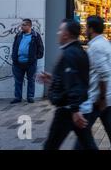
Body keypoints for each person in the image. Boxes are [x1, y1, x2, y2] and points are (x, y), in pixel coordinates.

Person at [40, 19, 97, 150]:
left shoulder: (69, 53)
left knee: (51, 145)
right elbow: (74, 78)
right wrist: (54, 78)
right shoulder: (79, 50)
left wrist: (75, 110)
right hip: (78, 106)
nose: (57, 33)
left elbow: (75, 83)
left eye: (60, 30)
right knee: (88, 145)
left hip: (68, 109)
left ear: (66, 34)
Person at [75, 16, 111, 150]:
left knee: (83, 132)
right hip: (109, 95)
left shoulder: (96, 47)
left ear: (91, 28)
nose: (84, 31)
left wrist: (102, 98)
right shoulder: (105, 42)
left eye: (86, 27)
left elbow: (104, 74)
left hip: (99, 98)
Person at [10, 19, 44, 104]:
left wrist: (35, 57)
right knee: (18, 80)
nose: (22, 27)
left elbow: (40, 47)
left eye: (24, 25)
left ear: (29, 26)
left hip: (30, 63)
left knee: (31, 80)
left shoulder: (35, 35)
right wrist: (14, 57)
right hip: (18, 62)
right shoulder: (18, 35)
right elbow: (14, 46)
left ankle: (30, 96)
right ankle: (18, 97)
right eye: (22, 25)